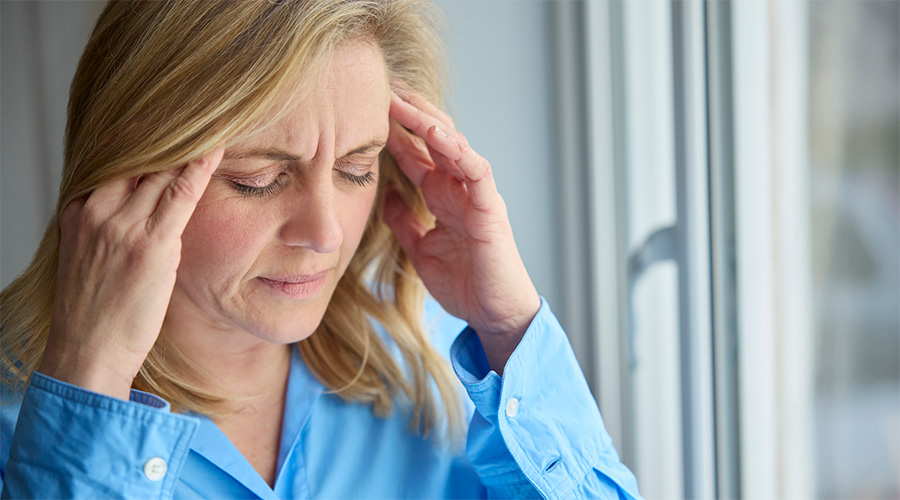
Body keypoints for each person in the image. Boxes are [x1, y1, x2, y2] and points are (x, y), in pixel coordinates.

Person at [0, 1, 641, 498]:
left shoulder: (433, 367)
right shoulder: (19, 423)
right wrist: (91, 376)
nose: (326, 234)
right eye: (259, 178)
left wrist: (509, 326)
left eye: (356, 169)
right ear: (128, 172)